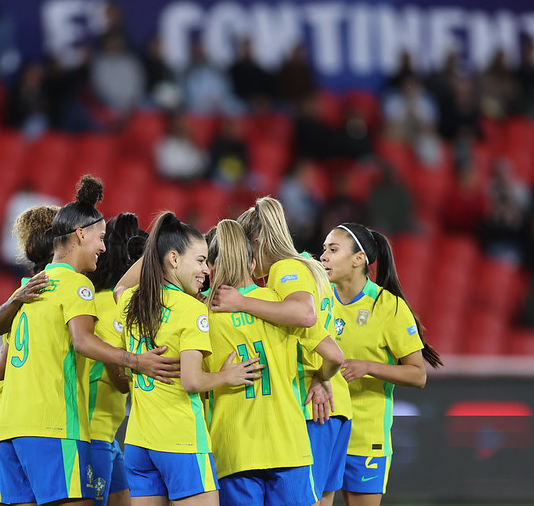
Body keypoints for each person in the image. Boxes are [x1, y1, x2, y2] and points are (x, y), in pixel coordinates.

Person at [0, 176, 179, 505]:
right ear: (81, 234)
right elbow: (83, 342)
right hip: (52, 425)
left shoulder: (31, 287)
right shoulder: (76, 286)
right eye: (100, 237)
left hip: (10, 427)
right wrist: (137, 361)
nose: (104, 247)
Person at [210, 197, 353, 506]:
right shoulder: (309, 265)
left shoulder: (284, 270)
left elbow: (304, 315)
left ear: (257, 241)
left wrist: (240, 302)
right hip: (328, 397)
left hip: (309, 402)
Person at [115, 211, 262, 505]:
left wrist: (156, 249)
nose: (207, 269)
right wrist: (226, 376)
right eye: (199, 260)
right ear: (173, 259)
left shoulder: (131, 301)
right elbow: (192, 381)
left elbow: (119, 287)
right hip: (180, 440)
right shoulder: (191, 309)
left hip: (138, 443)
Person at [319, 222, 442, 506]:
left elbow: (417, 374)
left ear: (358, 259)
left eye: (333, 249)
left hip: (365, 435)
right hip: (323, 428)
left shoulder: (389, 307)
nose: (323, 256)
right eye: (324, 249)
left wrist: (368, 367)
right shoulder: (318, 300)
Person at [0, 204, 56, 505]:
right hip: (12, 420)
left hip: (2, 419)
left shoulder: (24, 292)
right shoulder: (47, 293)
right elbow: (1, 367)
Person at [84, 212, 147, 506]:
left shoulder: (94, 300)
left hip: (107, 435)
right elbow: (121, 382)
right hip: (91, 433)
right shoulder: (113, 308)